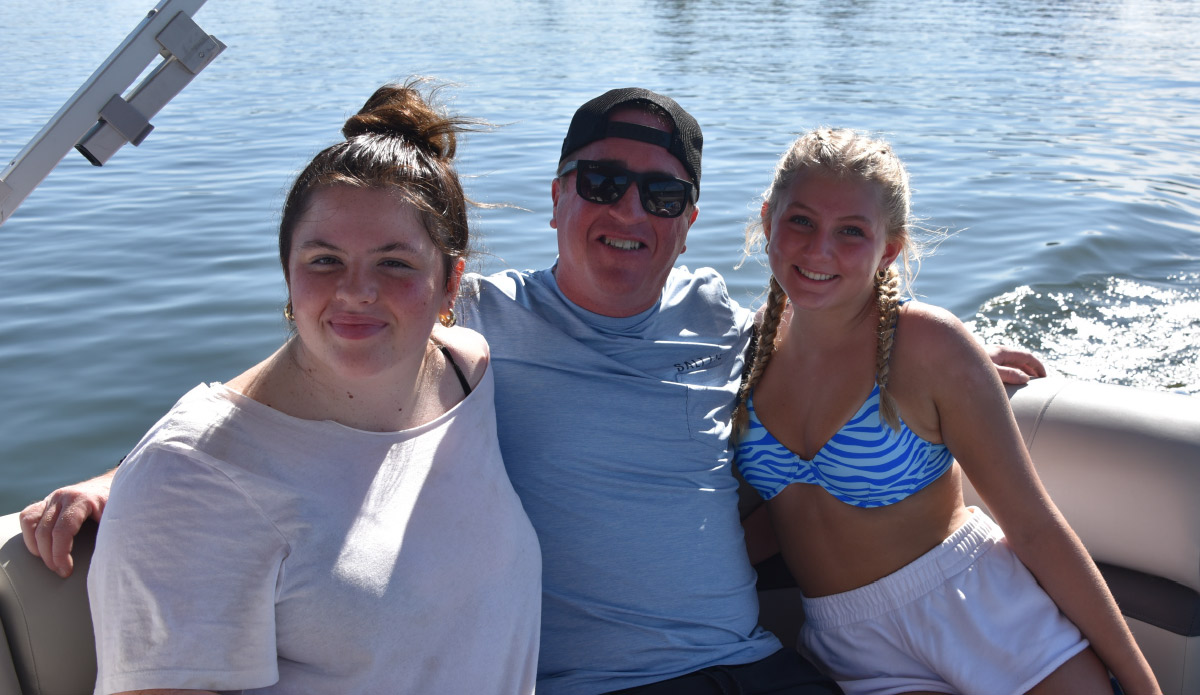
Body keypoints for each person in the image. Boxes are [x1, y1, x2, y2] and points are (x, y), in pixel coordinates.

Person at [21, 88, 1044, 695]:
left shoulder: (729, 328)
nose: (627, 209)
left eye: (661, 192)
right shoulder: (477, 329)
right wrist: (124, 475)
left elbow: (825, 343)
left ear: (689, 221)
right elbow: (320, 387)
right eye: (601, 182)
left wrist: (931, 370)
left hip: (762, 661)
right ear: (557, 200)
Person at [81, 81, 542, 694]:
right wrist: (136, 470)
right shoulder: (191, 483)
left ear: (451, 283)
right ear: (288, 274)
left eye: (395, 263)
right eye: (324, 260)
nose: (355, 291)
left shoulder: (466, 374)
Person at [732, 127, 1159, 694]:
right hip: (849, 645)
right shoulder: (747, 352)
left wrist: (1142, 684)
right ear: (768, 222)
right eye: (801, 221)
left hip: (981, 610)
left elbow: (1034, 527)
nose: (819, 249)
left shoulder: (930, 348)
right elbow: (762, 523)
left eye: (851, 231)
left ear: (889, 249)